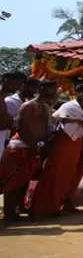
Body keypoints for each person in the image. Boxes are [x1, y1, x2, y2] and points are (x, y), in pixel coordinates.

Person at [32, 82, 83, 216]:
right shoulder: (68, 105)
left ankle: (60, 204)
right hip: (64, 139)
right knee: (55, 172)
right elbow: (59, 118)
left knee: (69, 173)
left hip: (78, 140)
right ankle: (43, 207)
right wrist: (78, 120)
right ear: (77, 93)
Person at [0, 81, 56, 220]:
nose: (54, 91)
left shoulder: (45, 107)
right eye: (51, 88)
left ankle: (19, 208)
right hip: (21, 146)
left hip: (34, 147)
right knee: (13, 182)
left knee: (24, 181)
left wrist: (42, 145)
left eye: (55, 89)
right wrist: (33, 145)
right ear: (42, 88)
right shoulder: (29, 106)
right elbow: (21, 127)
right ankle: (9, 212)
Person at [0, 72, 27, 161]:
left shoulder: (3, 98)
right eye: (16, 83)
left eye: (20, 84)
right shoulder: (6, 99)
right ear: (6, 80)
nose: (18, 87)